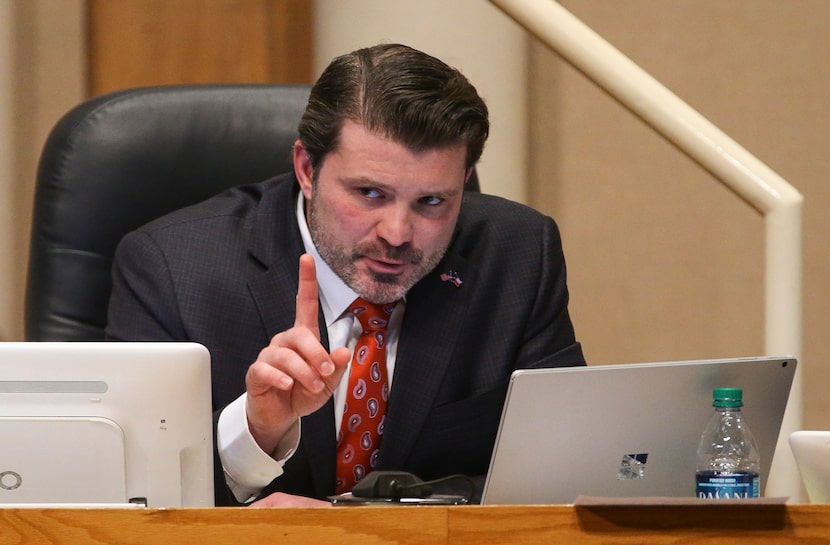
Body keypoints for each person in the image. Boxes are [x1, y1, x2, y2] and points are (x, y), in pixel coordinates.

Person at [106, 43, 586, 507]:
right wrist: (257, 428)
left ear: (463, 183)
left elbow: (561, 470)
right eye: (370, 193)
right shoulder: (173, 266)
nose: (398, 234)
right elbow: (131, 489)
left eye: (432, 202)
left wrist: (372, 529)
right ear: (306, 169)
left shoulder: (518, 256)